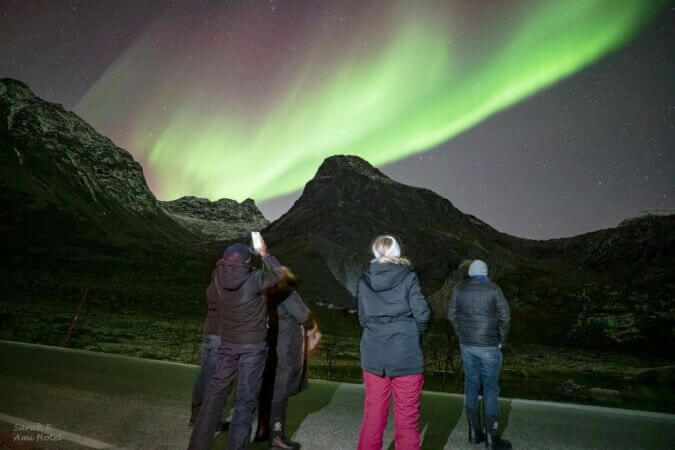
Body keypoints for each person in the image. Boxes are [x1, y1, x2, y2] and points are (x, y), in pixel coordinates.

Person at [188, 239, 285, 450]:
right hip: (252, 348)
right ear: (247, 262)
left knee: (214, 396)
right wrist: (265, 254)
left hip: (228, 344)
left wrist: (222, 264)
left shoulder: (217, 277)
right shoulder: (256, 278)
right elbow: (280, 274)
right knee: (245, 401)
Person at [356, 235, 431, 450]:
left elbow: (362, 317)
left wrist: (376, 331)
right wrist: (413, 334)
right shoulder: (409, 277)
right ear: (397, 252)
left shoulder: (364, 280)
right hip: (405, 353)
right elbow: (423, 315)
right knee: (407, 420)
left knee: (373, 415)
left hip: (373, 353)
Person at [447, 260, 512, 450]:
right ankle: (491, 439)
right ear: (485, 272)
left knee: (471, 385)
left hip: (467, 345)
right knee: (490, 388)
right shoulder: (494, 288)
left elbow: (451, 315)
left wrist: (461, 334)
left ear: (470, 272)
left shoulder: (459, 288)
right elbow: (505, 317)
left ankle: (474, 433)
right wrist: (502, 340)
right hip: (489, 345)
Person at [255, 267, 319, 449]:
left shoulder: (261, 291)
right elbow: (304, 317)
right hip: (283, 350)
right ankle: (277, 436)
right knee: (279, 393)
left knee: (266, 389)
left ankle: (262, 430)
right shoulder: (288, 294)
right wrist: (312, 325)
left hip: (263, 347)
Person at [189, 275, 223, 426]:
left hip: (210, 332)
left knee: (205, 375)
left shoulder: (216, 276)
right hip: (221, 334)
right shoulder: (231, 278)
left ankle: (196, 415)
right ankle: (207, 419)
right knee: (214, 378)